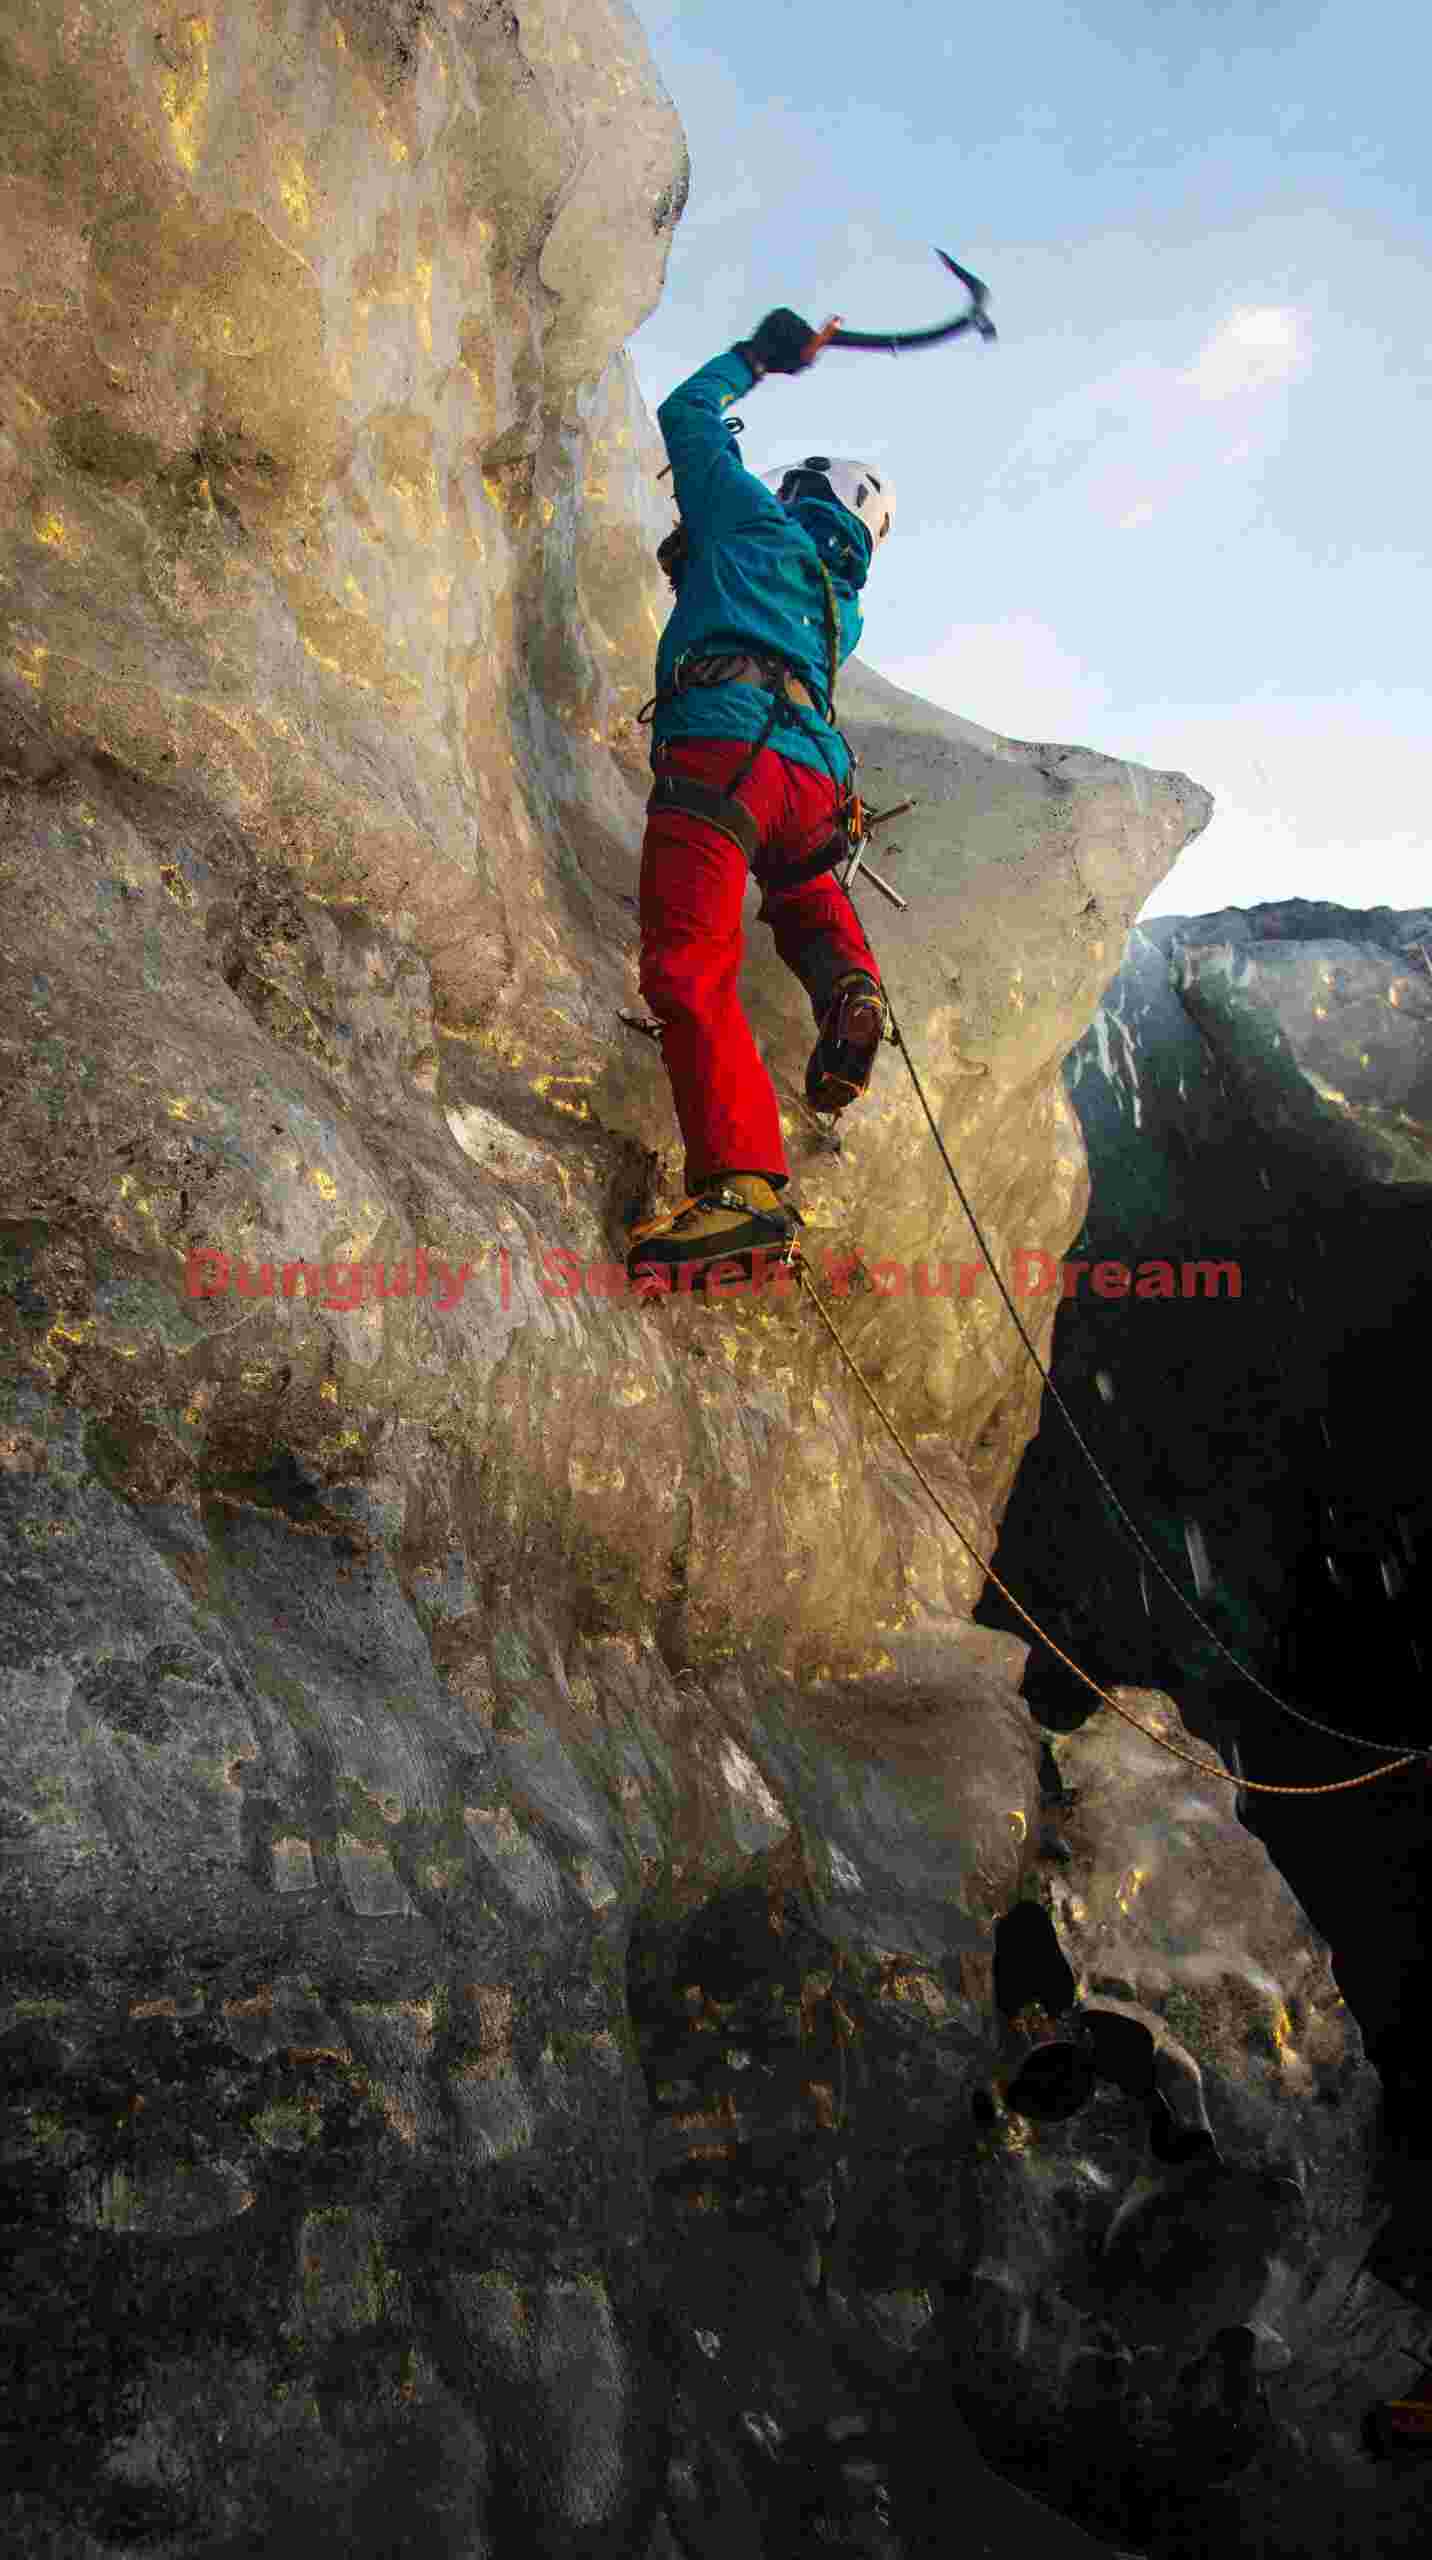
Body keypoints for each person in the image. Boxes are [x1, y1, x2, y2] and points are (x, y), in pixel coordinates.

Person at [627, 307, 895, 1292]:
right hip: (811, 782)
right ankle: (847, 991)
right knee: (800, 884)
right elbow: (753, 590)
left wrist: (761, 358)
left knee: (690, 962)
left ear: (800, 493)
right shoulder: (842, 609)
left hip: (723, 751)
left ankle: (742, 1191)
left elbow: (686, 411)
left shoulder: (747, 518)